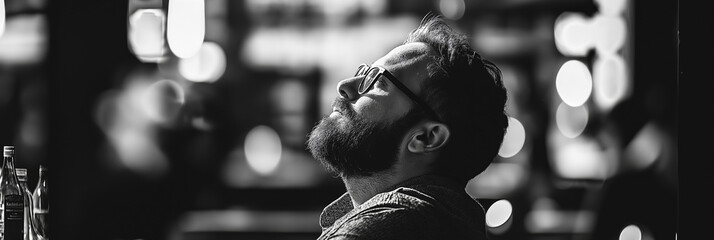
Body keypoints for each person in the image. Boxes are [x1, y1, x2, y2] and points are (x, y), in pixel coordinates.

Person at [306, 13, 509, 240]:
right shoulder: (442, 219)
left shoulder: (389, 225)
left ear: (425, 137)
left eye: (377, 81)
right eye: (363, 73)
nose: (344, 86)